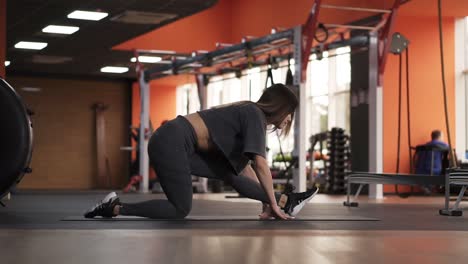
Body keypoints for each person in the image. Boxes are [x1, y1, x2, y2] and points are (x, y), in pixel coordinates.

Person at [84, 84, 319, 220]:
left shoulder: (249, 114)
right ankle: (114, 206)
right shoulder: (254, 115)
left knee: (232, 173)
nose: (290, 119)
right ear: (280, 108)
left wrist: (267, 204)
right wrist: (273, 205)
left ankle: (287, 201)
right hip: (171, 140)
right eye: (290, 113)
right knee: (180, 209)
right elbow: (260, 164)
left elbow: (244, 168)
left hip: (181, 143)